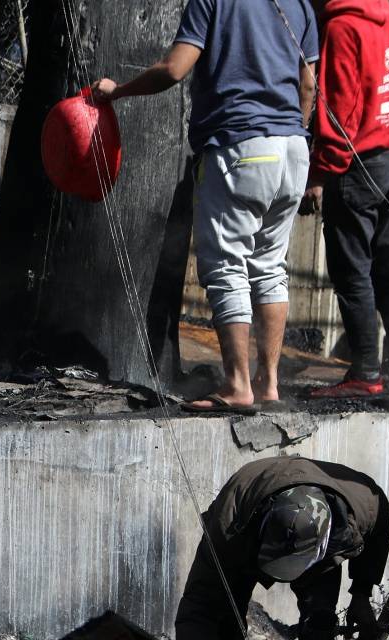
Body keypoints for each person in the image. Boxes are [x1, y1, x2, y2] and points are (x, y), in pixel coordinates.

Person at [93, 0, 318, 413]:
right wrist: (293, 133)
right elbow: (308, 86)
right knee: (270, 266)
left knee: (226, 265)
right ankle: (268, 385)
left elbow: (175, 68)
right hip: (293, 151)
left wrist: (117, 91)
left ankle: (237, 385)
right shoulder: (300, 4)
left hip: (240, 145)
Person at [175, 456, 389, 640]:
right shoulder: (228, 527)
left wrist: (361, 593)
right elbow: (200, 603)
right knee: (227, 623)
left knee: (320, 622)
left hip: (318, 552)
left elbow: (380, 532)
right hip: (248, 536)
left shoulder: (363, 504)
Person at [302, 0, 389, 399]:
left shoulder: (342, 28)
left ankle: (366, 371)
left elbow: (338, 111)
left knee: (352, 270)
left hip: (359, 165)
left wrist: (319, 173)